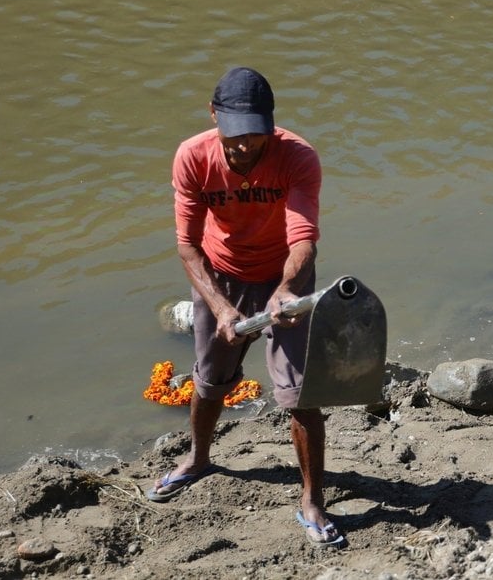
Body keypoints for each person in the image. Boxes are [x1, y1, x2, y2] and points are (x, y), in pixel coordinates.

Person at [148, 66, 345, 547]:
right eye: (235, 136)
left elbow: (304, 240)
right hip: (221, 276)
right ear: (213, 115)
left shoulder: (298, 156)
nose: (244, 146)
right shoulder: (193, 157)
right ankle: (198, 458)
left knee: (301, 393)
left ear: (270, 124)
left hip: (286, 276)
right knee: (210, 378)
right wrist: (220, 308)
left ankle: (312, 498)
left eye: (255, 136)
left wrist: (285, 290)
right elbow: (188, 246)